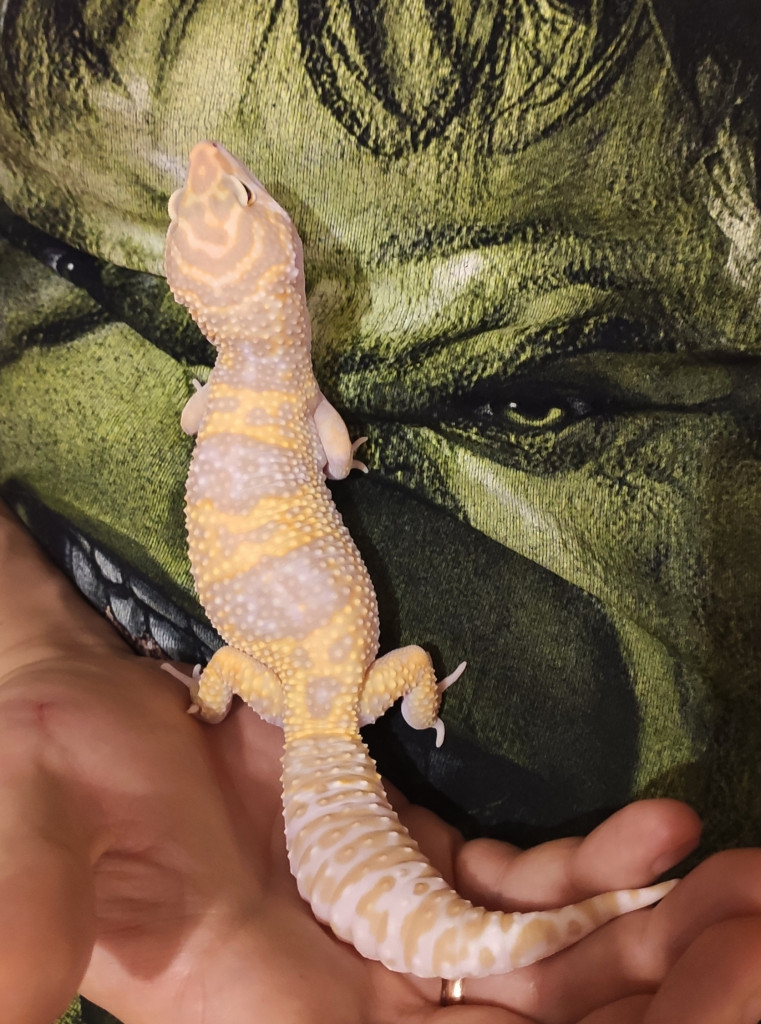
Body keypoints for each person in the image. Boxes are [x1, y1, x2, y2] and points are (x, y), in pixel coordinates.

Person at [1, 1, 761, 1020]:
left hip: (331, 686)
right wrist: (48, 653)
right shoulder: (293, 390)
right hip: (295, 695)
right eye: (206, 201)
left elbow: (267, 446)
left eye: (226, 194)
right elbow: (336, 458)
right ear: (285, 261)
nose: (212, 166)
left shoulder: (245, 395)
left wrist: (183, 694)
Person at [3, 496, 761, 1024]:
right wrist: (43, 654)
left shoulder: (274, 695)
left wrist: (50, 655)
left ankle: (615, 905)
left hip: (323, 763)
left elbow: (232, 670)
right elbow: (263, 667)